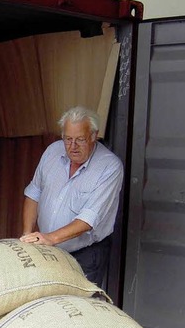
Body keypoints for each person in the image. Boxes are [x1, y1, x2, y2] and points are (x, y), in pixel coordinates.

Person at [20, 106, 124, 286]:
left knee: (78, 308)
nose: (72, 147)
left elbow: (89, 219)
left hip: (85, 255)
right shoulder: (52, 151)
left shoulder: (110, 167)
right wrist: (27, 234)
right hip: (48, 248)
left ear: (93, 136)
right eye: (68, 139)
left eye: (80, 140)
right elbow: (33, 193)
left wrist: (50, 238)